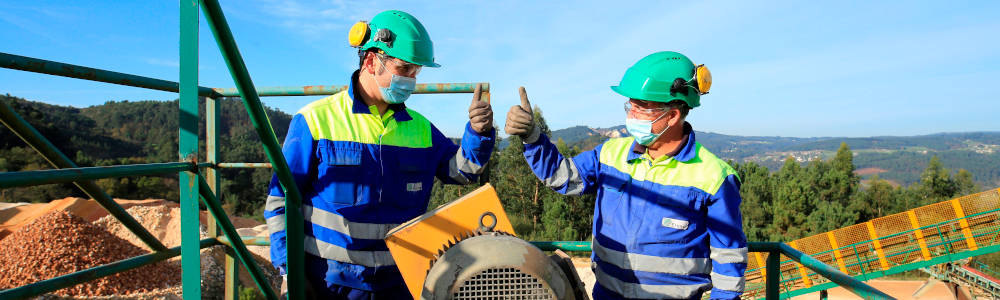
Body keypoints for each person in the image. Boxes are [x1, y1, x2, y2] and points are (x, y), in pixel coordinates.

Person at [264, 10, 495, 299]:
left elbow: (462, 171)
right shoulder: (315, 121)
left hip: (401, 282)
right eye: (405, 69)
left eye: (416, 72)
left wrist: (478, 133)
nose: (412, 80)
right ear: (372, 61)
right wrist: (291, 272)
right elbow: (279, 203)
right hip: (328, 284)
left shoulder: (421, 130)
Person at [505, 51, 746, 300]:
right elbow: (561, 176)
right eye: (630, 105)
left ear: (672, 115)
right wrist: (532, 137)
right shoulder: (610, 155)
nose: (631, 115)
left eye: (641, 107)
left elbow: (728, 262)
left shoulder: (714, 177)